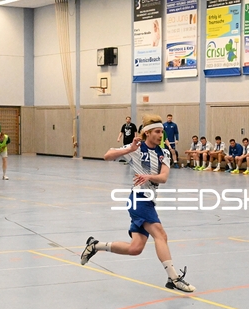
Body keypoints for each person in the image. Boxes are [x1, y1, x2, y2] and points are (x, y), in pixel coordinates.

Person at [80, 114, 195, 293]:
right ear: (147, 133)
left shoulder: (164, 153)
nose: (160, 135)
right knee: (161, 235)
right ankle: (173, 278)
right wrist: (128, 149)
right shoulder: (136, 148)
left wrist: (149, 177)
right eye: (157, 132)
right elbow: (107, 156)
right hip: (139, 199)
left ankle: (95, 245)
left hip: (149, 201)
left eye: (162, 132)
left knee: (135, 248)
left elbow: (164, 177)